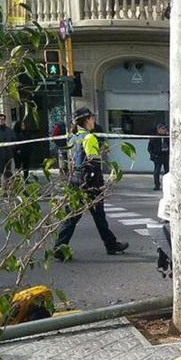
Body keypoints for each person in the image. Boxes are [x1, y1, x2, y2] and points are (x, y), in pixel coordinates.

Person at [54, 107, 128, 261]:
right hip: (89, 183)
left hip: (75, 181)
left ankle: (61, 247)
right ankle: (110, 244)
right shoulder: (89, 138)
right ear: (87, 120)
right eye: (92, 118)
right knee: (98, 215)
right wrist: (99, 184)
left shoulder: (73, 137)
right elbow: (93, 162)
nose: (94, 120)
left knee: (73, 216)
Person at [0, 113, 16, 187]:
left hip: (8, 155)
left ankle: (9, 188)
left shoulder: (9, 130)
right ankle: (0, 187)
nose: (0, 121)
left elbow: (14, 140)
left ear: (5, 120)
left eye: (2, 119)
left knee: (9, 173)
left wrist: (12, 149)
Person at [147, 123, 169, 191]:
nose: (164, 130)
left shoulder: (168, 137)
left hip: (166, 156)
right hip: (158, 156)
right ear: (158, 130)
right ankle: (157, 185)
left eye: (165, 129)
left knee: (167, 171)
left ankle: (168, 185)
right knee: (157, 171)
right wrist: (154, 155)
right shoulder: (154, 138)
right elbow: (149, 148)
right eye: (162, 129)